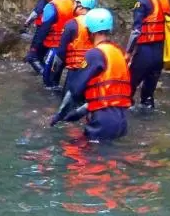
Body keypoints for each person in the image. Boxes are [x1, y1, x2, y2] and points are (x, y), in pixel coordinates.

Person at [50, 8, 130, 141]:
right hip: (121, 121)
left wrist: (59, 116)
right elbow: (106, 95)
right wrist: (77, 114)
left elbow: (75, 90)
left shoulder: (94, 54)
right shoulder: (118, 52)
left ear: (89, 30)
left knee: (78, 155)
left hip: (102, 121)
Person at [127, 0, 170, 110]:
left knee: (127, 89)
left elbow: (136, 31)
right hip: (159, 53)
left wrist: (128, 53)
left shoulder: (143, 1)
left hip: (145, 52)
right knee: (147, 97)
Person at [34, 0, 76, 89]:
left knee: (47, 78)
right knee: (56, 74)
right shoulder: (70, 2)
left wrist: (36, 45)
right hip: (67, 46)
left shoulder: (51, 6)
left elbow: (44, 28)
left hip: (56, 46)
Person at [55, 0, 98, 97]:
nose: (72, 6)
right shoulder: (100, 23)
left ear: (80, 5)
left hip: (75, 70)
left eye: (74, 3)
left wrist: (56, 71)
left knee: (68, 102)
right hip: (92, 70)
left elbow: (61, 51)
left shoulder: (72, 24)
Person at [24, 0, 58, 74]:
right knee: (41, 56)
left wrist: (26, 24)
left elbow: (35, 13)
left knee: (32, 57)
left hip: (43, 31)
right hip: (55, 35)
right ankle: (46, 73)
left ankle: (44, 75)